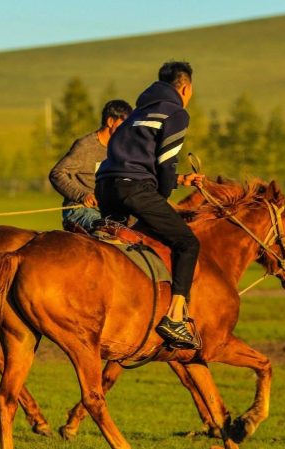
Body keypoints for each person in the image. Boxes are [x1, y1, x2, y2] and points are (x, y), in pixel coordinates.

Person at [95, 61, 204, 349]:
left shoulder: (137, 113)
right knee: (187, 243)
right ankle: (176, 318)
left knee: (117, 245)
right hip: (135, 189)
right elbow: (166, 161)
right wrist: (166, 193)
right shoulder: (176, 112)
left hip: (105, 186)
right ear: (185, 87)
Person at [49, 100, 133, 230]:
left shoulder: (121, 149)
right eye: (124, 125)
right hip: (80, 211)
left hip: (108, 212)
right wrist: (83, 195)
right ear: (110, 122)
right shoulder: (86, 146)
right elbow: (57, 173)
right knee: (109, 230)